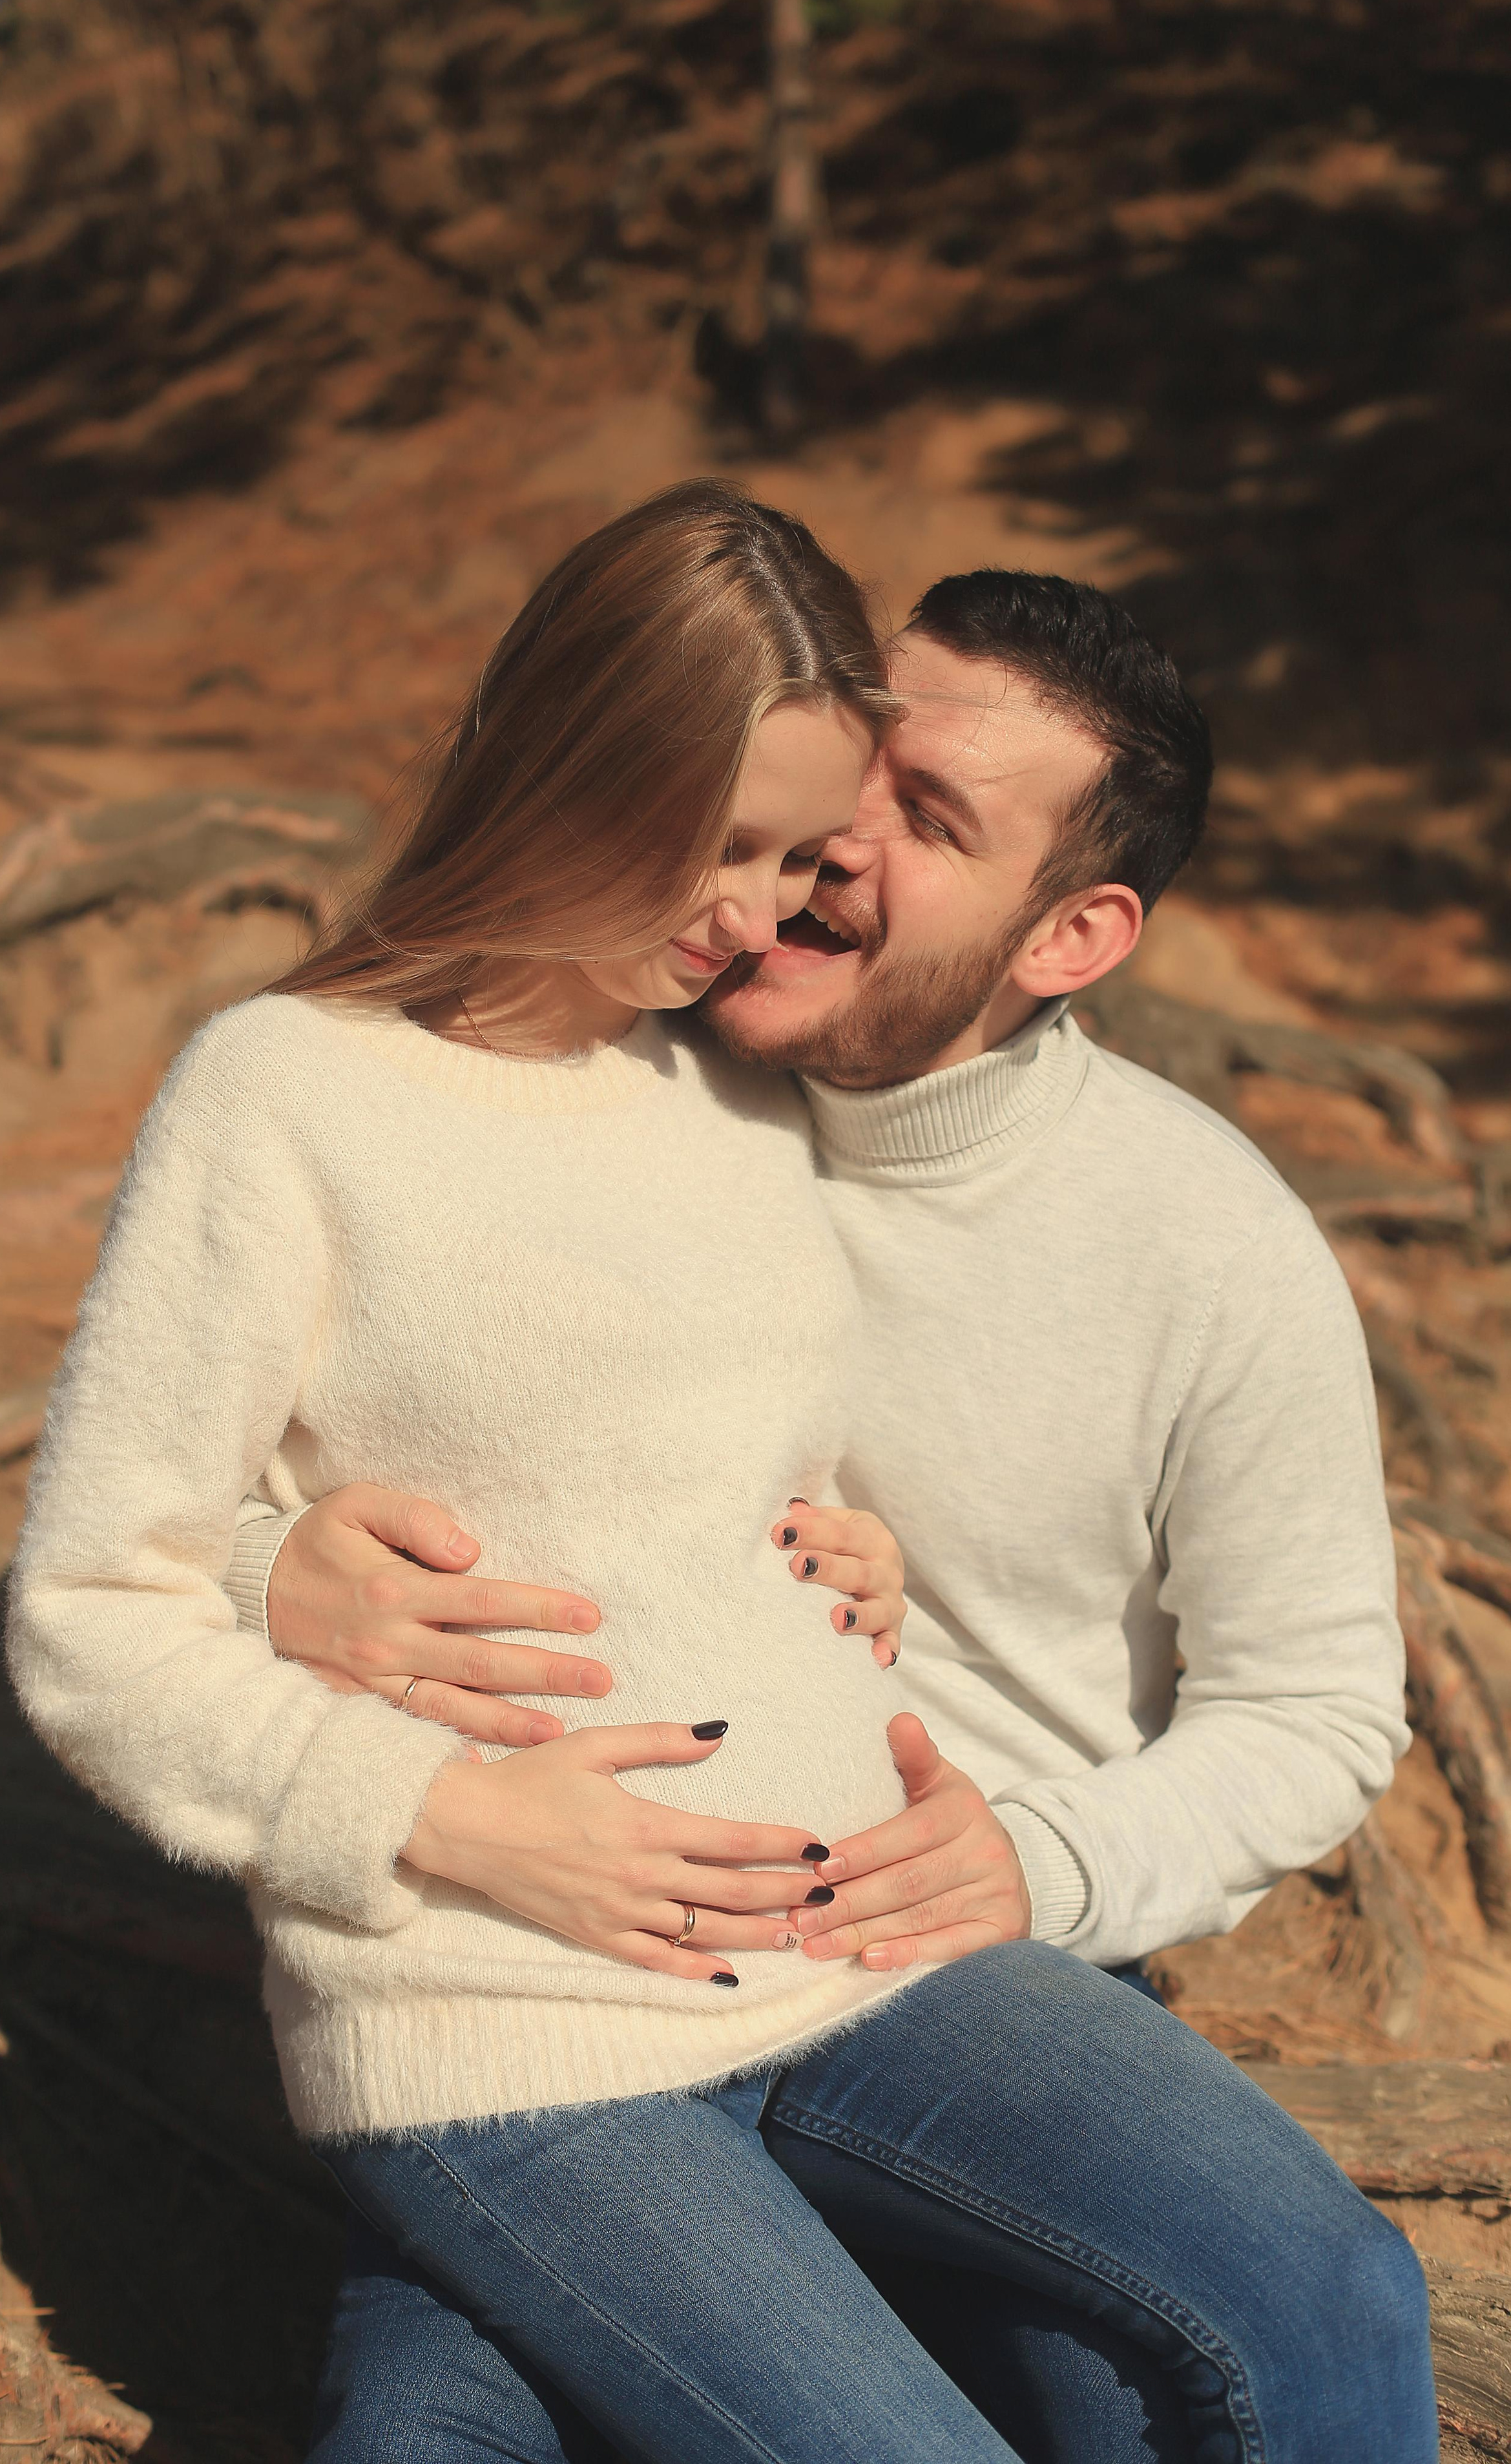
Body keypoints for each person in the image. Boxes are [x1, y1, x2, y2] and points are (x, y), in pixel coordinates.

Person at [238, 564, 1431, 2460]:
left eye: (932, 823)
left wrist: (1030, 1863)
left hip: (970, 1979)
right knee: (423, 2444)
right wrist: (272, 1568)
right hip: (562, 1957)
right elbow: (199, 1484)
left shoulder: (1204, 1245)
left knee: (1274, 2337)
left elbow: (1314, 1710)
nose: (831, 849)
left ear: (1073, 935)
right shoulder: (577, 1065)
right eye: (848, 774)